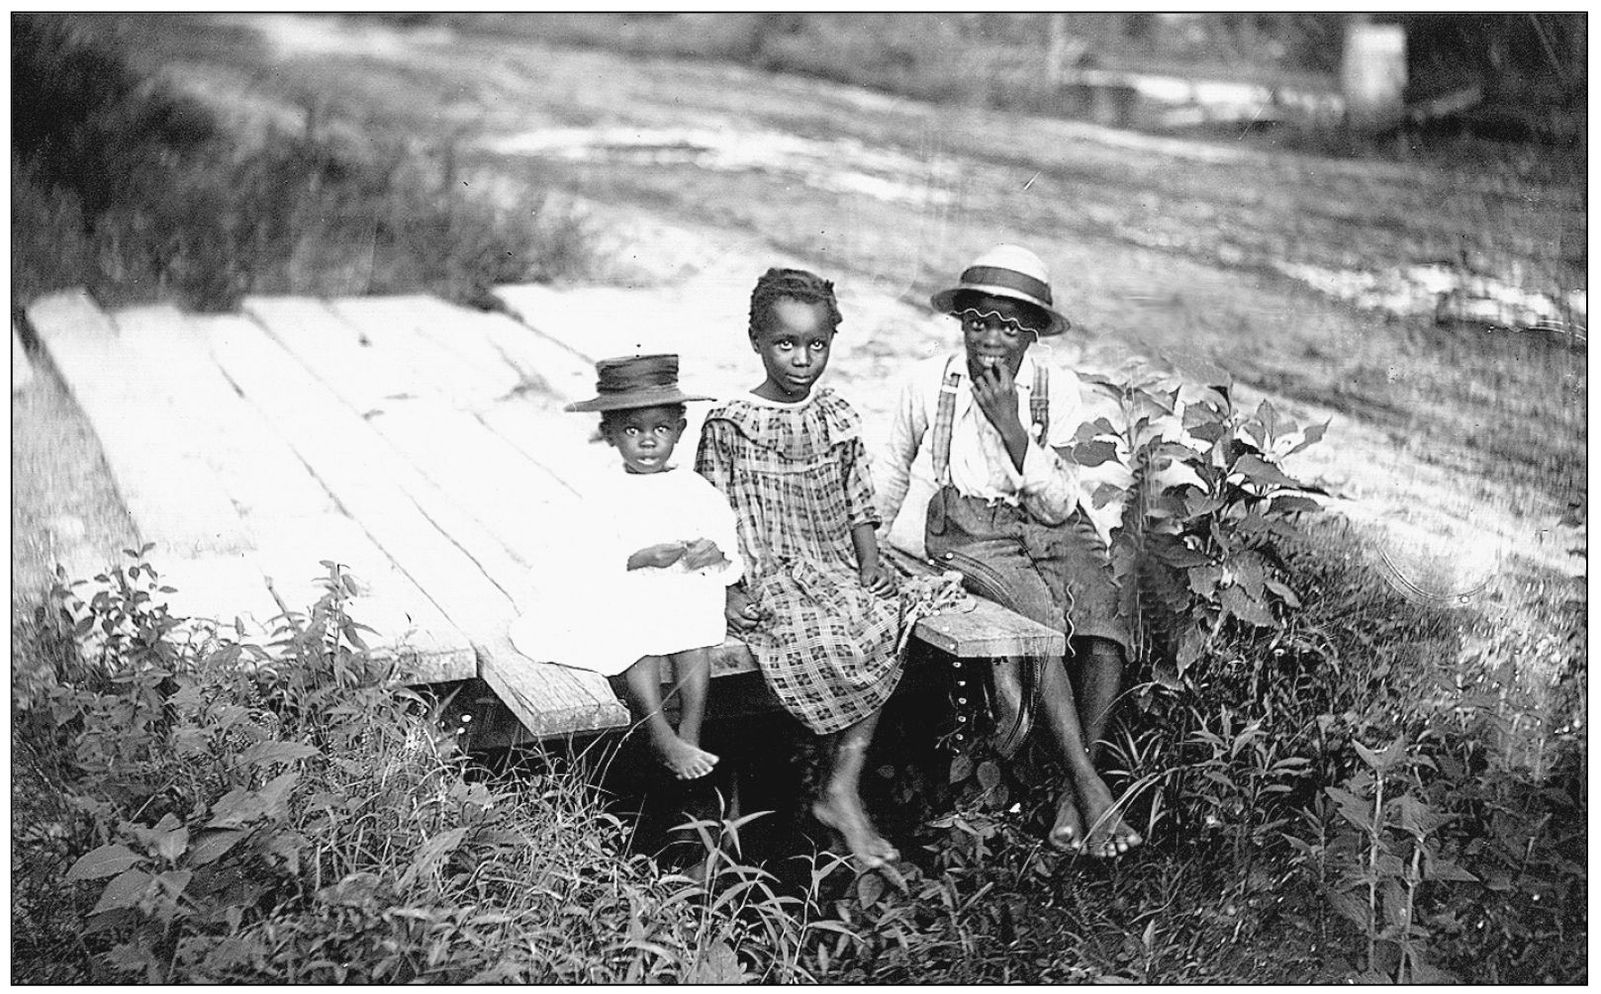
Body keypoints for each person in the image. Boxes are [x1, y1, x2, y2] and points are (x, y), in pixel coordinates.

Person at [877, 244, 1142, 858]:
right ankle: (1089, 788)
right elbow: (891, 470)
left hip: (1043, 520)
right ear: (961, 322)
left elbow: (1057, 508)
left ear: (1035, 335)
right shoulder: (930, 383)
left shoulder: (1056, 391)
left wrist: (1015, 431)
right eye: (978, 322)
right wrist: (872, 548)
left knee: (1105, 616)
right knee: (1036, 620)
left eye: (1010, 325)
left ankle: (1079, 790)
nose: (990, 338)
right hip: (966, 526)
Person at [695, 267, 903, 869]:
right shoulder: (730, 423)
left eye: (817, 345)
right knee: (802, 630)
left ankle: (843, 780)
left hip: (830, 556)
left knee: (884, 617)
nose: (803, 360)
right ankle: (781, 790)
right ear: (756, 340)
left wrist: (869, 560)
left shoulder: (835, 413)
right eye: (786, 344)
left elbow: (858, 495)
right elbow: (710, 515)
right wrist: (728, 588)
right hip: (763, 564)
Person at [509, 353, 741, 781]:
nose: (648, 442)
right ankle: (658, 731)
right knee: (637, 639)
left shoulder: (695, 489)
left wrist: (715, 552)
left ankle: (690, 728)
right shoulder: (605, 493)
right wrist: (637, 559)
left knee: (696, 636)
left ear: (680, 430)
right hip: (626, 593)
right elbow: (579, 556)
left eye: (661, 429)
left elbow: (727, 542)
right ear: (610, 435)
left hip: (680, 593)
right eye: (633, 430)